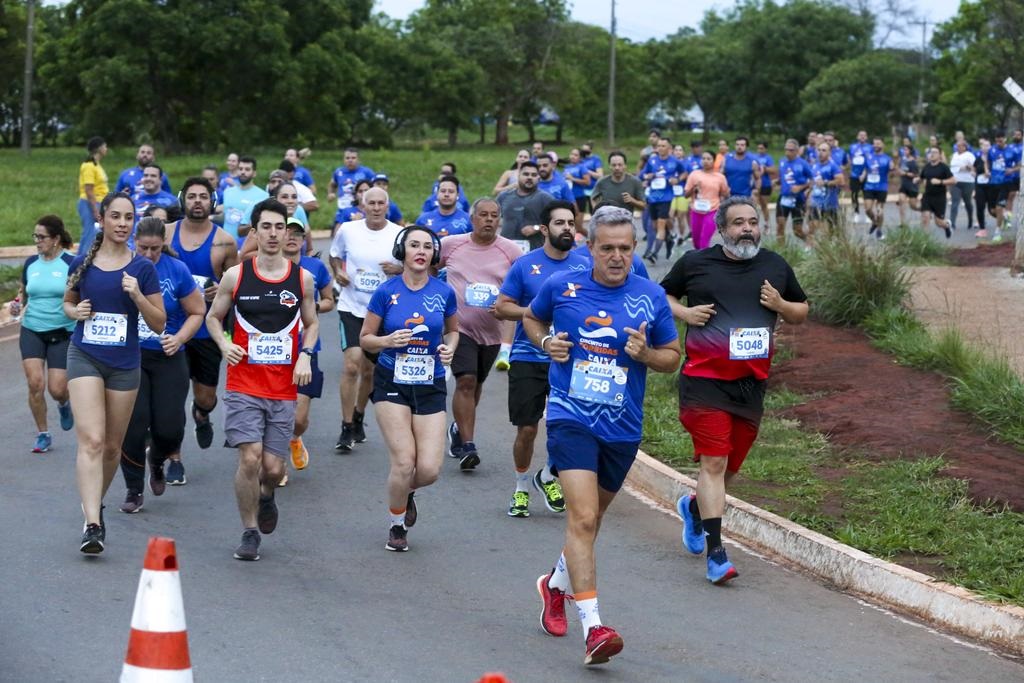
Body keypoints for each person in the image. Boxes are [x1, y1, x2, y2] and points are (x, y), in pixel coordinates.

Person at [526, 205, 680, 666]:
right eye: (607, 248)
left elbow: (673, 356)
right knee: (585, 518)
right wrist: (544, 342)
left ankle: (553, 584)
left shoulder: (650, 296)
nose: (617, 257)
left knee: (590, 523)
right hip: (571, 417)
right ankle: (594, 627)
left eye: (625, 249)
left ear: (634, 250)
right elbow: (532, 319)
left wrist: (647, 354)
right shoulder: (562, 286)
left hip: (622, 426)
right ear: (589, 247)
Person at [661, 195, 807, 584]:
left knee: (730, 470)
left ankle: (694, 509)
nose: (747, 228)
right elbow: (662, 294)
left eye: (753, 222)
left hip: (750, 385)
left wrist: (780, 303)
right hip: (704, 380)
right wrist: (686, 313)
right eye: (738, 222)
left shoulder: (774, 265)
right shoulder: (695, 263)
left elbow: (802, 310)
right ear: (722, 230)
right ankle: (717, 554)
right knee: (714, 463)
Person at [205, 198, 319, 561]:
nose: (273, 234)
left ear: (287, 232)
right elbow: (213, 317)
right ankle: (249, 530)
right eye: (266, 227)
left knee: (272, 468)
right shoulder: (237, 275)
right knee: (250, 459)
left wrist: (304, 354)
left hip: (282, 387)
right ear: (254, 232)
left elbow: (312, 323)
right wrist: (225, 346)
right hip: (243, 384)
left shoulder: (302, 278)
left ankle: (267, 495)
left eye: (279, 227)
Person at [63, 192, 166, 554]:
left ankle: (96, 505)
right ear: (103, 220)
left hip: (124, 364)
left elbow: (159, 321)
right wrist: (74, 313)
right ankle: (92, 523)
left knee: (111, 448)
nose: (122, 223)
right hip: (85, 356)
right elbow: (68, 301)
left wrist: (138, 296)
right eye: (116, 217)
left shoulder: (143, 269)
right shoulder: (82, 262)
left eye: (128, 218)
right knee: (91, 440)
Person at [360, 226, 459, 551]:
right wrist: (387, 341)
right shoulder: (386, 292)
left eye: (427, 247)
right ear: (402, 250)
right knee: (404, 462)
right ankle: (397, 524)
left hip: (429, 383)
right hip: (392, 381)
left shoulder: (443, 292)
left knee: (428, 470)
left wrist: (450, 348)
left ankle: (405, 491)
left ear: (434, 253)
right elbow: (366, 339)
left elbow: (452, 332)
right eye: (414, 245)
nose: (420, 251)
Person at [495, 201, 588, 517]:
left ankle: (547, 474)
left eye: (571, 223)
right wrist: (536, 313)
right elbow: (502, 307)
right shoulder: (525, 265)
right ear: (545, 230)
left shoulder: (584, 266)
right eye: (560, 223)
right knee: (528, 429)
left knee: (571, 427)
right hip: (528, 356)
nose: (567, 229)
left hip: (570, 359)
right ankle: (521, 486)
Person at [118, 218, 205, 514]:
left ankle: (156, 460)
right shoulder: (122, 265)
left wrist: (179, 338)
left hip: (168, 355)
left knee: (170, 427)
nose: (149, 255)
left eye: (155, 249)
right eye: (143, 248)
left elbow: (197, 311)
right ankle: (133, 488)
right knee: (134, 422)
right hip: (132, 356)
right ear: (133, 242)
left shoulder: (176, 269)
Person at [439, 198, 521, 471]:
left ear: (500, 220)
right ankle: (468, 445)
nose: (488, 220)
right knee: (466, 381)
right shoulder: (452, 244)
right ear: (472, 219)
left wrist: (508, 309)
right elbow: (426, 266)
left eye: (494, 216)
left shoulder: (510, 251)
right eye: (483, 215)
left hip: (492, 332)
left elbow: (522, 286)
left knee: (476, 384)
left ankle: (457, 428)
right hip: (458, 327)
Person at [167, 177, 240, 480]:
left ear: (213, 202)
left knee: (206, 398)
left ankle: (201, 415)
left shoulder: (224, 241)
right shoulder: (167, 233)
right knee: (171, 397)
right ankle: (174, 459)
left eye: (204, 197)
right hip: (172, 327)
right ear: (183, 200)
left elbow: (235, 283)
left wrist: (219, 291)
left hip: (208, 330)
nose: (198, 202)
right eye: (192, 196)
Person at [328, 187, 404, 452]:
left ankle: (359, 415)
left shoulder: (398, 234)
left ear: (387, 205)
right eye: (370, 203)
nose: (375, 207)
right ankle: (346, 426)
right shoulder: (348, 230)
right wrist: (338, 272)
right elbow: (334, 255)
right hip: (351, 306)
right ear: (362, 205)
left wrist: (399, 269)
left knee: (369, 371)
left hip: (382, 311)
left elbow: (415, 266)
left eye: (380, 203)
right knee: (351, 365)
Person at [11, 216, 76, 453]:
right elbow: (23, 295)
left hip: (61, 331)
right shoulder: (31, 263)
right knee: (35, 384)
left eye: (42, 237)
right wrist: (17, 305)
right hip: (32, 330)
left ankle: (63, 403)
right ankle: (43, 433)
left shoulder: (71, 263)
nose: (37, 241)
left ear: (56, 239)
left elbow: (79, 295)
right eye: (35, 237)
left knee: (57, 389)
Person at [282, 217, 335, 475]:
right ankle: (275, 465)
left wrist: (312, 307)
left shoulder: (315, 267)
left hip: (306, 347)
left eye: (297, 234)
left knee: (299, 418)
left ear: (304, 240)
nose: (291, 237)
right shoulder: (266, 268)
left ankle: (295, 438)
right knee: (275, 411)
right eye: (287, 232)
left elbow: (329, 301)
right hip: (274, 349)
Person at [640, 137, 685, 263]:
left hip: (666, 198)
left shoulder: (675, 161)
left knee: (660, 225)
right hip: (653, 197)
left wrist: (677, 180)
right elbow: (643, 175)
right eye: (659, 146)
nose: (660, 148)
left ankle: (654, 253)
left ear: (669, 148)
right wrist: (647, 177)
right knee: (654, 226)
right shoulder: (652, 160)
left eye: (663, 146)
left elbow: (684, 173)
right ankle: (669, 238)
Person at [684, 151, 730, 250]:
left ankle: (703, 264)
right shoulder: (694, 174)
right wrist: (694, 188)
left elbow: (725, 194)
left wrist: (726, 196)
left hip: (712, 211)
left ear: (714, 161)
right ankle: (700, 260)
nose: (705, 161)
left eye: (708, 159)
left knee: (704, 241)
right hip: (696, 211)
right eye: (703, 158)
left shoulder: (720, 177)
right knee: (696, 242)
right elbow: (686, 195)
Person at [222, 156, 269, 244]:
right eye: (240, 169)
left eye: (247, 169)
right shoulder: (227, 192)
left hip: (247, 246)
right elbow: (225, 217)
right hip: (225, 244)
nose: (243, 172)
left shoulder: (263, 196)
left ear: (254, 173)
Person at [775, 139, 813, 245]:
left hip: (798, 200)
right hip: (783, 198)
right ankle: (781, 253)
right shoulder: (782, 161)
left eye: (791, 150)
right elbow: (783, 177)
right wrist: (777, 182)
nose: (788, 152)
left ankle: (810, 244)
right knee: (780, 226)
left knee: (797, 231)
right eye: (786, 150)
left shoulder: (803, 164)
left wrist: (801, 187)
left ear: (796, 151)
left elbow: (812, 181)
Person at [77, 137, 109, 255]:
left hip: (99, 202)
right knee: (90, 232)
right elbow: (89, 189)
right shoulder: (88, 166)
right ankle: (83, 260)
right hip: (89, 202)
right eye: (105, 146)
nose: (106, 149)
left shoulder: (97, 165)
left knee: (92, 232)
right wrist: (95, 209)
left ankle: (84, 257)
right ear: (99, 148)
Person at [808, 141, 845, 239]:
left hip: (829, 204)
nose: (820, 152)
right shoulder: (815, 166)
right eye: (819, 150)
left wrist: (826, 183)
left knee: (830, 232)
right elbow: (813, 182)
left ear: (829, 153)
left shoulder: (833, 166)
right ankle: (809, 249)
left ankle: (831, 249)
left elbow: (841, 181)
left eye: (824, 150)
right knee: (811, 227)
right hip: (816, 202)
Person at [916, 147, 956, 238]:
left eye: (935, 152)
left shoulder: (944, 167)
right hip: (927, 196)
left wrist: (940, 182)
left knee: (938, 222)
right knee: (925, 218)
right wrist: (917, 180)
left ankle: (947, 226)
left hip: (939, 198)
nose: (932, 154)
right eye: (931, 152)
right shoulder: (927, 166)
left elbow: (953, 181)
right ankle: (924, 242)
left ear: (939, 155)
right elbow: (922, 178)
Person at [862, 137, 894, 239]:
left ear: (883, 145)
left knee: (880, 211)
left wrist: (892, 168)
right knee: (867, 209)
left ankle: (879, 231)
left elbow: (892, 172)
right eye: (874, 144)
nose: (876, 145)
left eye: (878, 144)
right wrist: (863, 175)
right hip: (869, 186)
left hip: (881, 187)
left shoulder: (887, 158)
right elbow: (866, 169)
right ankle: (875, 222)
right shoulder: (869, 157)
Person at [948, 140, 977, 231]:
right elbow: (952, 167)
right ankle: (952, 223)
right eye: (957, 146)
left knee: (967, 202)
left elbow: (974, 167)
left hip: (967, 181)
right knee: (955, 202)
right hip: (956, 181)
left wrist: (968, 168)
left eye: (960, 146)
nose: (958, 147)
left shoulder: (969, 155)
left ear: (965, 147)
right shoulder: (954, 155)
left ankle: (970, 219)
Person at [847, 130, 872, 224]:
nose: (862, 137)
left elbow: (871, 161)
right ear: (857, 137)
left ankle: (868, 214)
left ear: (866, 137)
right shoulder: (852, 147)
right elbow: (850, 159)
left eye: (864, 135)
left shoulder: (870, 147)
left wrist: (864, 173)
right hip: (854, 175)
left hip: (866, 175)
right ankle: (856, 213)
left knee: (867, 195)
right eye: (860, 135)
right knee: (854, 195)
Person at [896, 142, 921, 226]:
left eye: (906, 150)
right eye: (904, 149)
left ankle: (924, 210)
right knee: (901, 201)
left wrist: (905, 174)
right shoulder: (903, 161)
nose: (904, 151)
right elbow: (900, 170)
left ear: (910, 151)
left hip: (912, 187)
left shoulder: (913, 162)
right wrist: (899, 171)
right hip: (904, 186)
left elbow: (916, 175)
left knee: (913, 206)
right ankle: (902, 222)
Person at [753, 142, 775, 229]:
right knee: (754, 204)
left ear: (765, 149)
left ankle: (767, 223)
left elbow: (773, 170)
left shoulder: (768, 158)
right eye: (758, 148)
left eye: (762, 148)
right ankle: (754, 223)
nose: (760, 150)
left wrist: (764, 168)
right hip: (755, 184)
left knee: (764, 205)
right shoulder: (754, 157)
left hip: (766, 184)